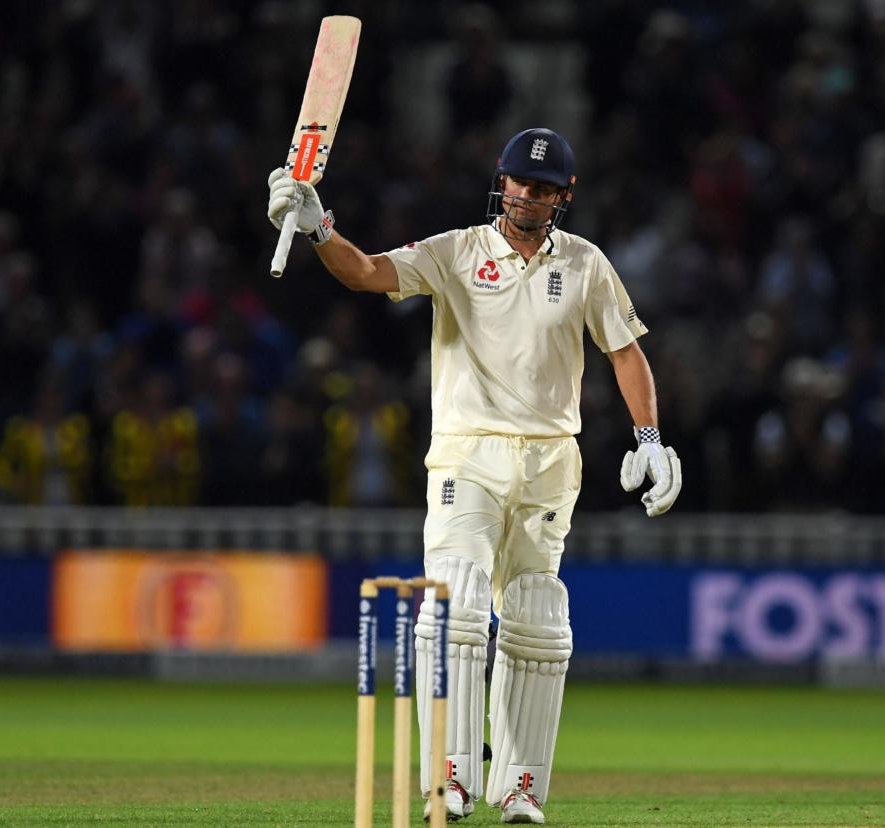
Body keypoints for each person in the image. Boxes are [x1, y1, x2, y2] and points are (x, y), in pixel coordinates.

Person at [268, 128, 682, 823]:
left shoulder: (584, 263)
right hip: (468, 454)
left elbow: (625, 351)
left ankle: (519, 785)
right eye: (520, 182)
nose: (529, 196)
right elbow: (367, 272)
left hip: (552, 463)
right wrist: (318, 229)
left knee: (536, 623)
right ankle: (450, 776)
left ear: (563, 197)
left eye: (544, 189)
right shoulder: (456, 252)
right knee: (455, 608)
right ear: (503, 181)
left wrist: (651, 439)